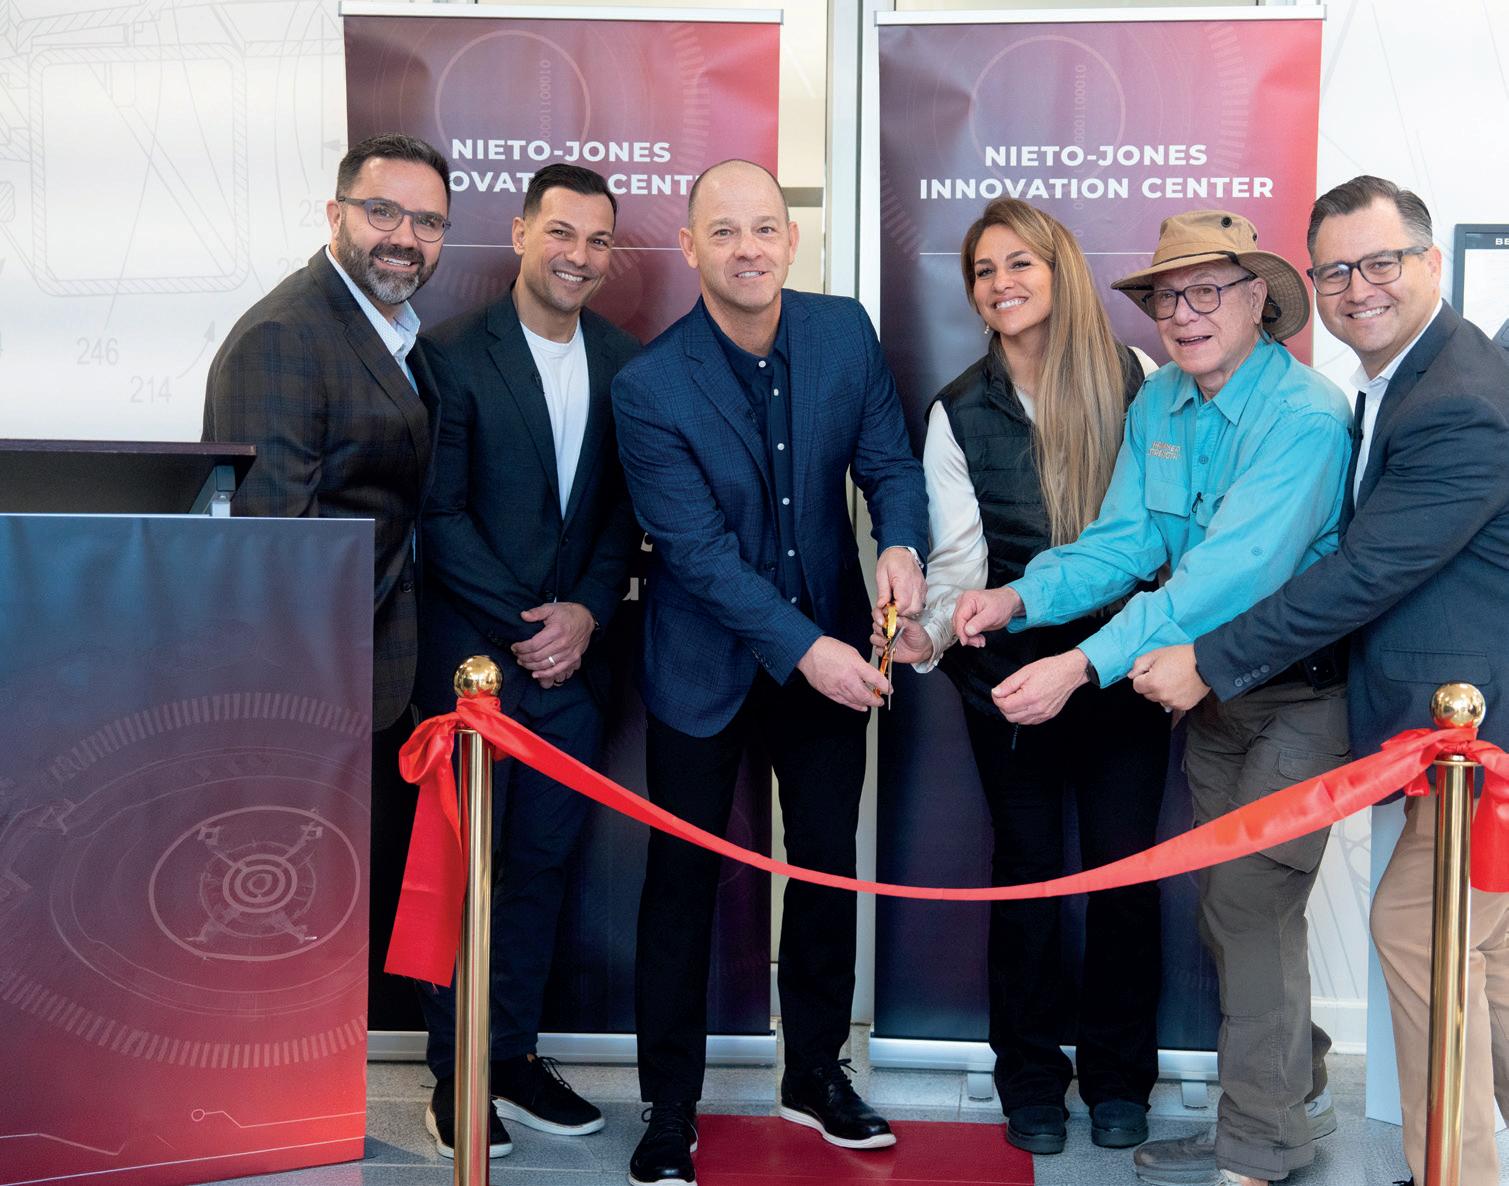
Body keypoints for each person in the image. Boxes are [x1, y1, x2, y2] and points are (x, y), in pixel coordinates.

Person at [953, 209, 1352, 1186]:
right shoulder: (1162, 399)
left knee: (1248, 903)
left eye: (1207, 290)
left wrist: (1077, 664)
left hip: (1296, 692)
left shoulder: (1304, 416)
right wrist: (1018, 597)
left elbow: (1224, 575)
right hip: (1210, 697)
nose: (1183, 313)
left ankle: (1257, 1147)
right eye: (1168, 296)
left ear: (1259, 300)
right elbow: (1125, 541)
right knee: (1232, 909)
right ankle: (1291, 1081)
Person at [1131, 176, 1509, 1186]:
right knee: (1487, 965)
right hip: (1432, 724)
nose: (1356, 288)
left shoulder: (1457, 401)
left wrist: (1209, 659)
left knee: (1420, 936)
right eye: (1336, 270)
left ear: (1429, 262)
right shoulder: (1398, 383)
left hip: (1477, 734)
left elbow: (1361, 574)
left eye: (1380, 262)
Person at [611, 159, 929, 1186]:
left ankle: (815, 1073)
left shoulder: (843, 333)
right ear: (689, 247)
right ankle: (669, 1106)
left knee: (827, 865)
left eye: (764, 228)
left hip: (832, 640)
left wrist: (901, 544)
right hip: (704, 661)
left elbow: (889, 464)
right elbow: (697, 556)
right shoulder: (648, 386)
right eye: (724, 231)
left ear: (792, 241)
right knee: (681, 883)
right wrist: (807, 648)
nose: (747, 248)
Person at [874, 198, 1169, 1155]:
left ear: (1058, 270)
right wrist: (921, 635)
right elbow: (958, 562)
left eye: (1018, 264)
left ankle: (1120, 1079)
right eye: (983, 270)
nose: (1000, 284)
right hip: (1005, 682)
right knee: (1026, 875)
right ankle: (1030, 1079)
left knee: (1124, 875)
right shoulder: (958, 409)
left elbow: (1158, 537)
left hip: (1123, 670)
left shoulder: (1137, 378)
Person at [412, 164, 640, 1159]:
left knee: (542, 870)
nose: (578, 256)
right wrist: (529, 625)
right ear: (518, 234)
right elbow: (439, 513)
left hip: (573, 672)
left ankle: (509, 1055)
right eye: (561, 233)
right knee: (465, 875)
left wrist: (584, 612)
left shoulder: (626, 362)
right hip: (476, 670)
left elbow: (623, 510)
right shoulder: (452, 353)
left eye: (598, 240)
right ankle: (453, 1071)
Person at [202, 130, 450, 1029]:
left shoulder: (392, 333)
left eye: (428, 222)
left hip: (380, 676)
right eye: (383, 212)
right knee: (295, 924)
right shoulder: (286, 335)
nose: (405, 237)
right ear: (336, 213)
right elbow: (274, 557)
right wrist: (311, 718)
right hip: (316, 700)